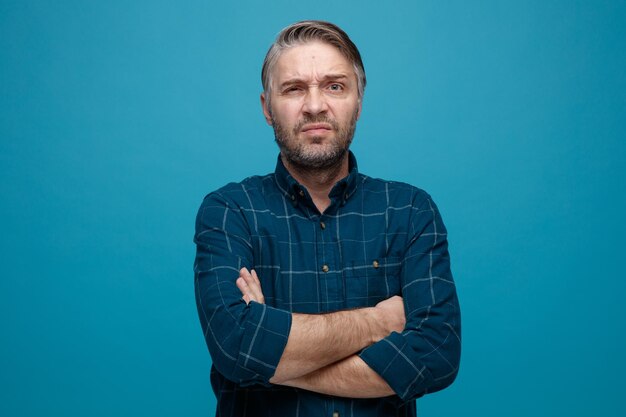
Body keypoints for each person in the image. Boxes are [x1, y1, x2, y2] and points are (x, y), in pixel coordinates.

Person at [194, 20, 461, 417]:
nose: (315, 105)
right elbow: (235, 347)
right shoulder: (230, 211)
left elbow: (435, 355)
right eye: (294, 88)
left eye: (335, 86)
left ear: (359, 99)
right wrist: (377, 322)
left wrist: (272, 353)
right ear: (267, 108)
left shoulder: (410, 211)